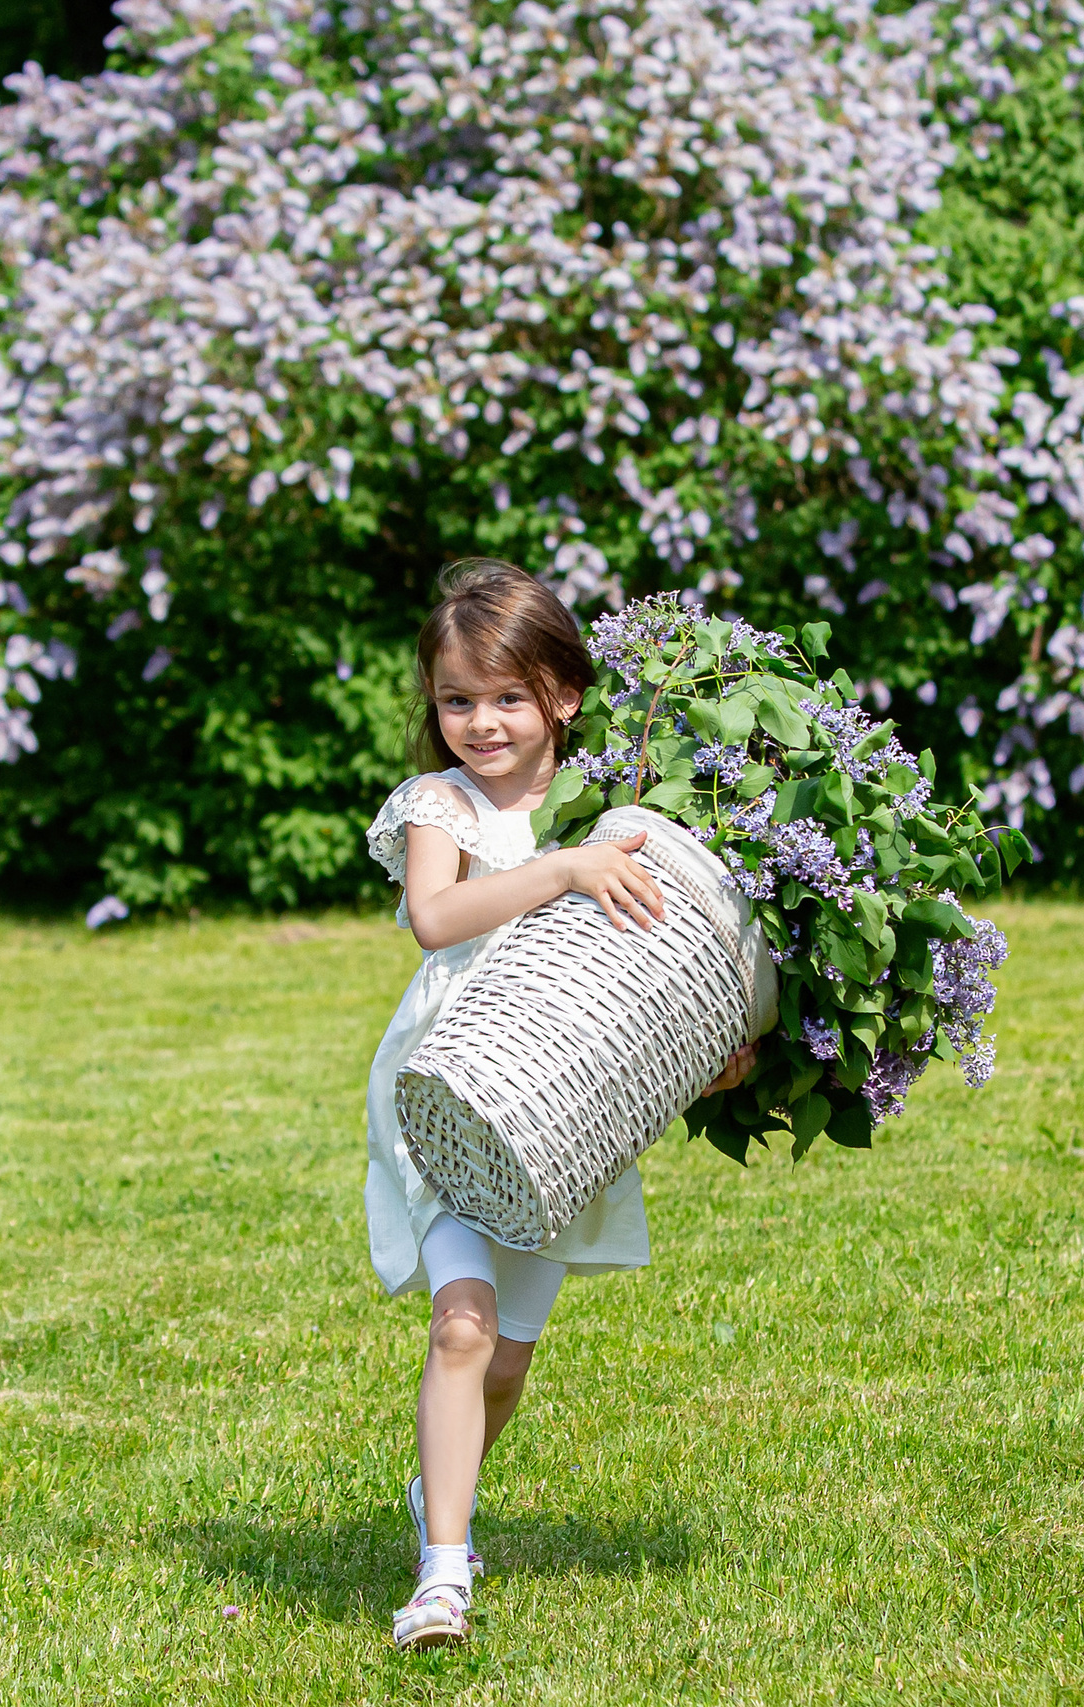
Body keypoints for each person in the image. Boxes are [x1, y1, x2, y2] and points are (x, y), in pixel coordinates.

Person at [362, 559, 752, 1650]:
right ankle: (443, 1570)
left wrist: (719, 1045)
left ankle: (441, 1484)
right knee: (460, 1328)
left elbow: (654, 968)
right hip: (448, 1093)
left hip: (561, 1114)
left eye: (506, 698)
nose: (479, 723)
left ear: (563, 696)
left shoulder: (611, 807)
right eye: (454, 700)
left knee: (508, 1360)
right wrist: (568, 872)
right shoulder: (443, 806)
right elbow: (436, 916)